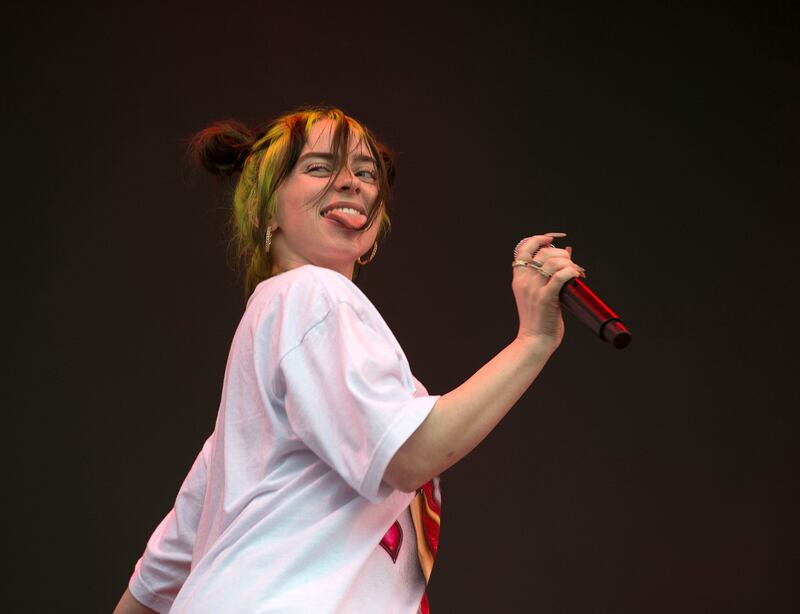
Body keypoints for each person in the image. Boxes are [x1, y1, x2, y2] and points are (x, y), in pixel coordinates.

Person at [113, 106, 585, 614]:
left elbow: (158, 577)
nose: (350, 183)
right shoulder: (311, 294)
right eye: (319, 168)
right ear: (264, 211)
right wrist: (533, 340)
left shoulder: (247, 427)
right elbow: (410, 455)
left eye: (364, 173)